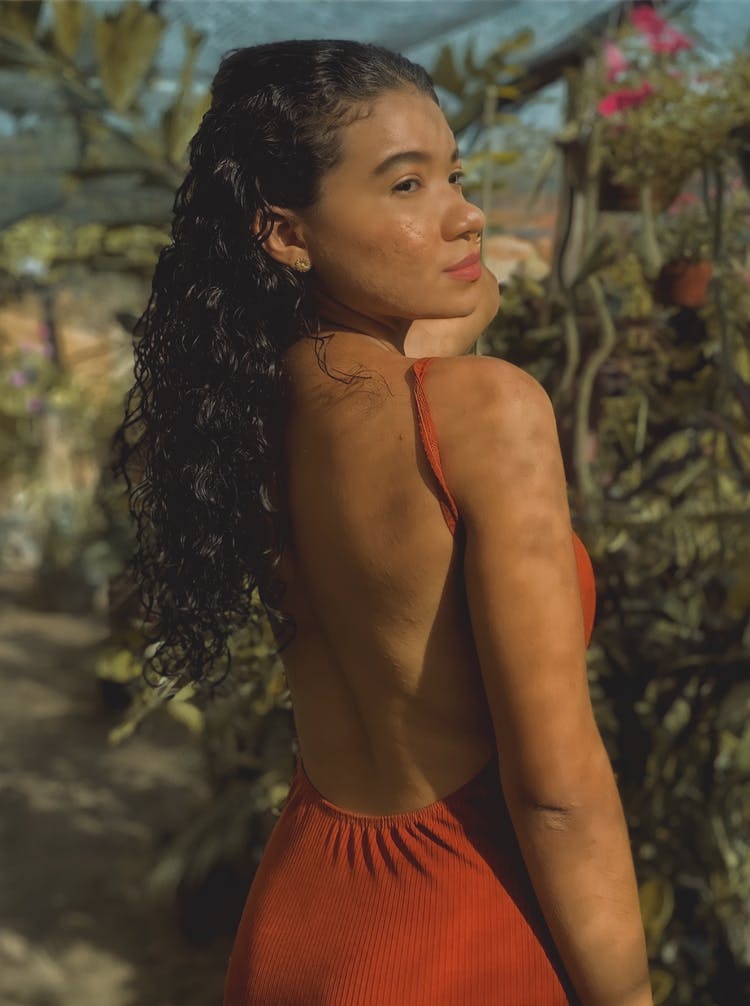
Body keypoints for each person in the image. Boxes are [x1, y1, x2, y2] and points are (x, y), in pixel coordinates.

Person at [112, 38, 653, 1006]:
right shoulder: (487, 415)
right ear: (284, 234)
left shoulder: (249, 415)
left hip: (309, 910)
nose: (466, 213)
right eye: (406, 186)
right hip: (460, 934)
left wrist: (423, 252)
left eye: (456, 174)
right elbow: (557, 794)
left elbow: (459, 303)